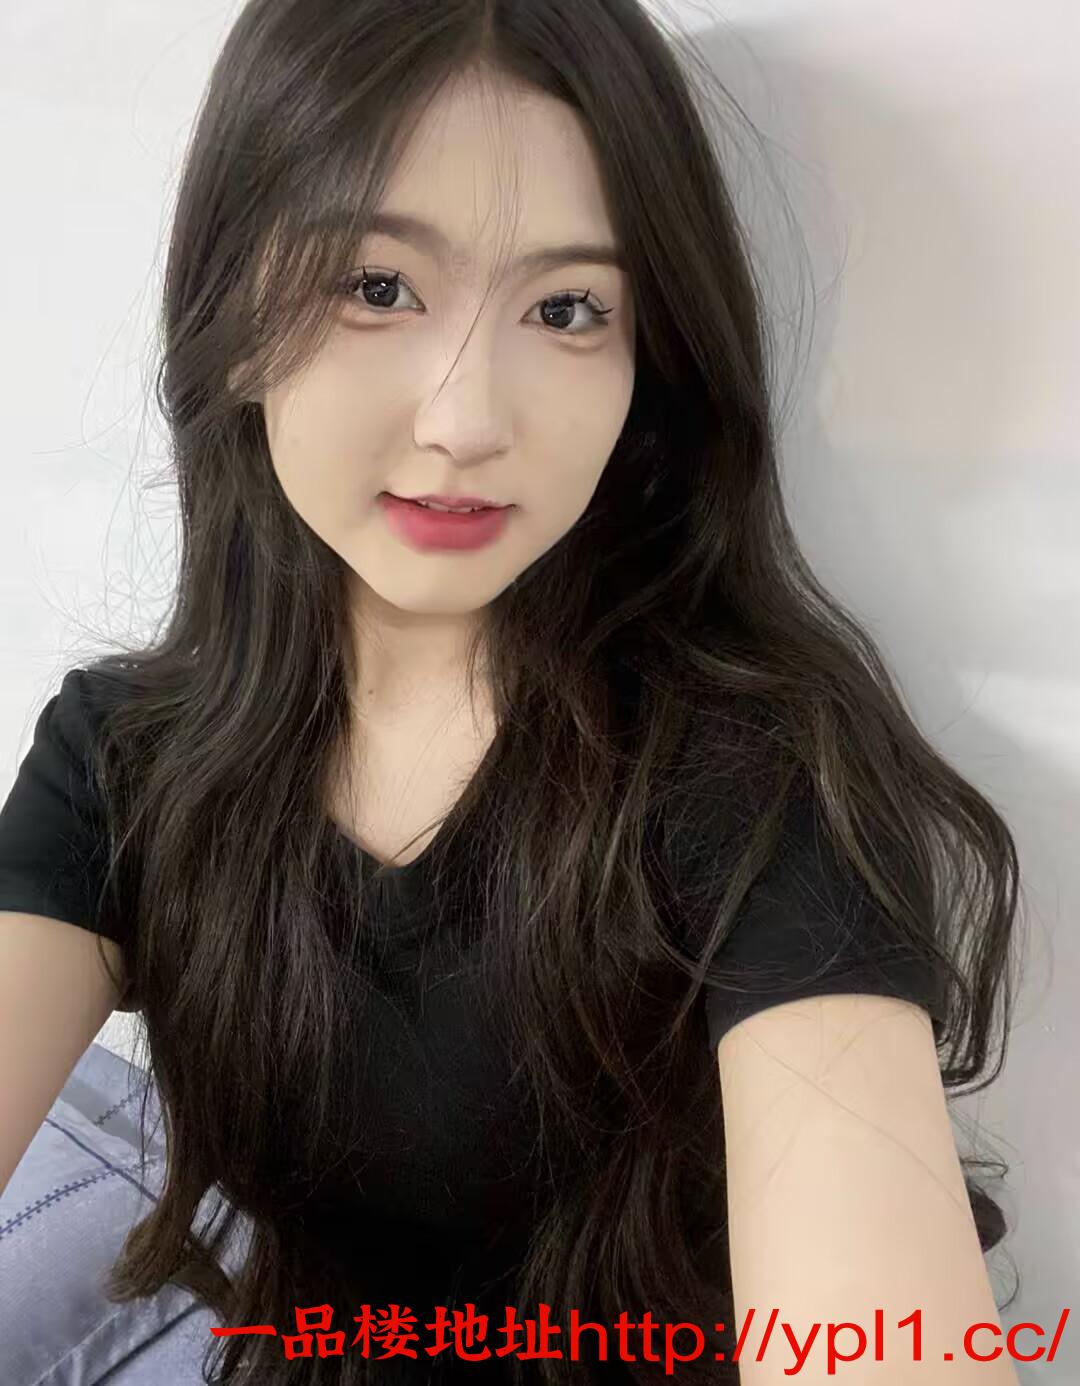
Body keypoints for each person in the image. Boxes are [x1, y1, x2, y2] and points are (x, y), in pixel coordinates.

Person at [0, 1, 1024, 1382]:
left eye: (566, 308)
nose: (467, 418)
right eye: (376, 286)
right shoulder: (122, 759)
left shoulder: (760, 779)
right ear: (233, 319)